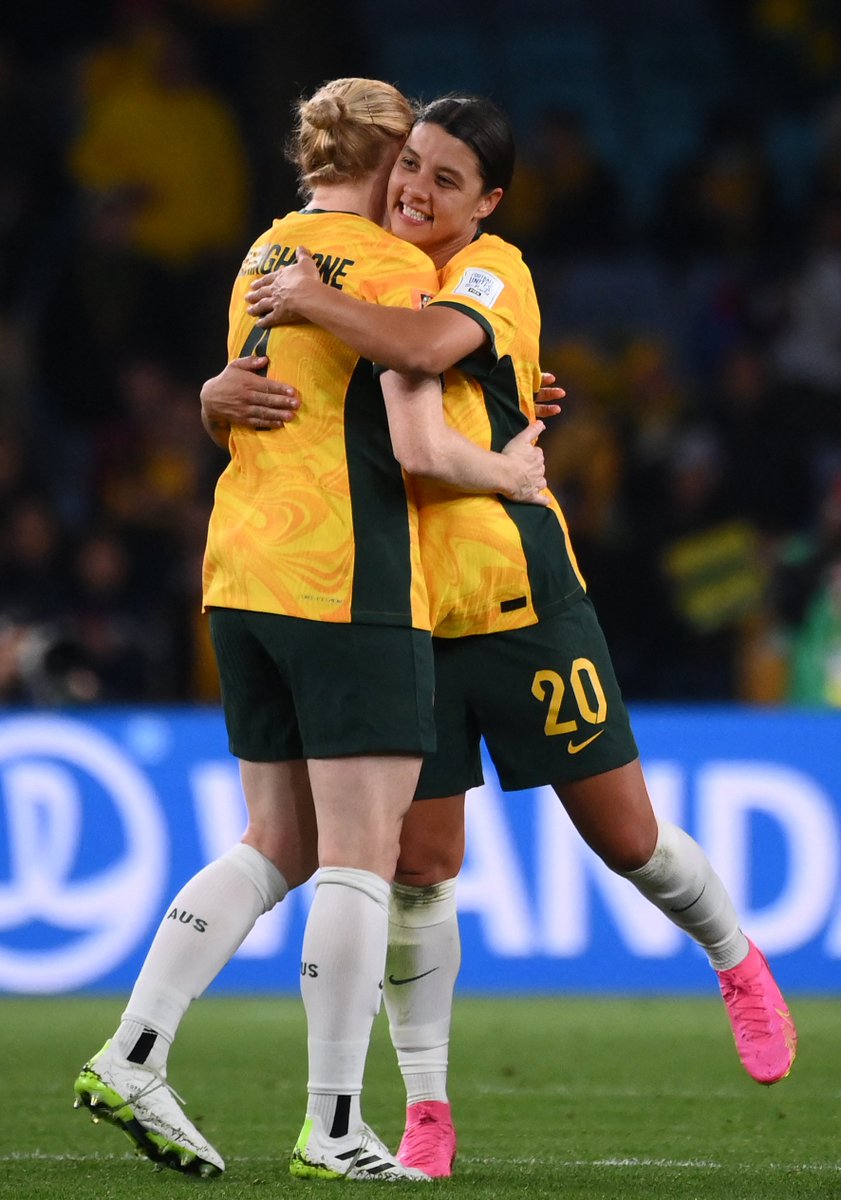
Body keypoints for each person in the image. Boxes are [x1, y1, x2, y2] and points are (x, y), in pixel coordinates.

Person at [234, 95, 798, 1178]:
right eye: (411, 166)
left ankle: (734, 958)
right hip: (403, 612)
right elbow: (300, 396)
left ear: (485, 202)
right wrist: (223, 393)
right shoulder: (363, 268)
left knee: (626, 839)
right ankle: (429, 1110)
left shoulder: (493, 271)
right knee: (420, 868)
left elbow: (428, 342)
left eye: (447, 180)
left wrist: (312, 300)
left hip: (520, 601)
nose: (417, 190)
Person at [71, 77, 548, 1184]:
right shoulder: (390, 267)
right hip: (346, 579)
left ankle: (134, 1051)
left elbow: (246, 388)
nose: (420, 187)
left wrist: (205, 399)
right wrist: (512, 465)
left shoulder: (259, 256)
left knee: (273, 843)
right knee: (358, 860)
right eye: (414, 164)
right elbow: (425, 388)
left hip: (239, 573)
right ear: (387, 161)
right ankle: (333, 1124)